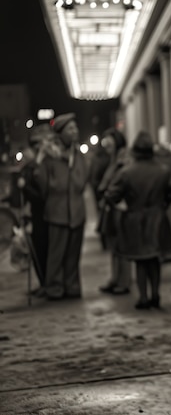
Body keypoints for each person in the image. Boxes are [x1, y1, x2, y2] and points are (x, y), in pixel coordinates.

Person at [104, 131, 171, 309]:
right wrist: (164, 204)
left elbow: (110, 194)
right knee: (154, 259)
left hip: (134, 219)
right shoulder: (163, 170)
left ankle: (143, 297)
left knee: (140, 260)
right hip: (158, 217)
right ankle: (155, 294)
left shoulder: (126, 172)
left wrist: (123, 205)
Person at [34, 113, 89, 300]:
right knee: (56, 254)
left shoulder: (78, 154)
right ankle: (54, 287)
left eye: (75, 127)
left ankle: (72, 286)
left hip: (77, 210)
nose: (75, 131)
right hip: (57, 210)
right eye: (70, 129)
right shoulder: (49, 156)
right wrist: (56, 186)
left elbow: (84, 178)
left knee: (74, 253)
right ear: (60, 133)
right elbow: (42, 183)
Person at [17, 124, 55, 295]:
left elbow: (42, 193)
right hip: (35, 214)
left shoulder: (44, 165)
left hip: (45, 213)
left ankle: (48, 283)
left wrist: (25, 187)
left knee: (45, 249)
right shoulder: (30, 167)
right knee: (37, 250)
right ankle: (43, 283)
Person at [97, 128, 133, 296]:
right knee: (114, 245)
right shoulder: (113, 160)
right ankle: (116, 279)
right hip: (112, 206)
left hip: (120, 206)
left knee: (122, 245)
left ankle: (123, 281)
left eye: (109, 143)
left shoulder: (123, 160)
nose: (106, 146)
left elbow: (122, 182)